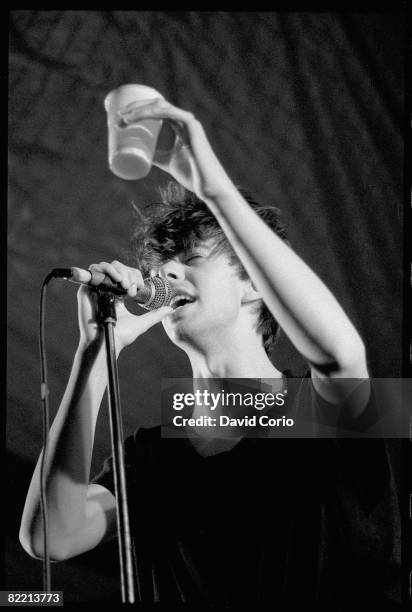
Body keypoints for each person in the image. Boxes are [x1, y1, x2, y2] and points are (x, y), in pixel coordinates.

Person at [19, 97, 400, 606]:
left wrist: (212, 188)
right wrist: (97, 350)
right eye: (164, 263)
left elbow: (340, 354)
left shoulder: (318, 409)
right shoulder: (153, 454)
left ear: (253, 286)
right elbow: (50, 538)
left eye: (192, 259)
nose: (167, 273)